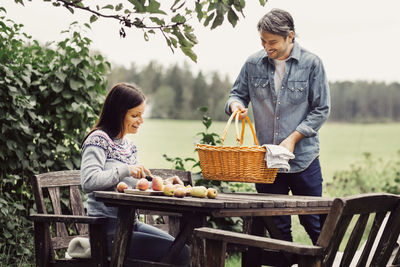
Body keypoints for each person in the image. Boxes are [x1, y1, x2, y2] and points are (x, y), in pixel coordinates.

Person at [225, 8, 330, 266]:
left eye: (272, 42)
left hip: (303, 159)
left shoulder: (312, 64)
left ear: (290, 36)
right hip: (267, 162)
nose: (266, 47)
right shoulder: (252, 63)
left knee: (315, 222)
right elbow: (236, 94)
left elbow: (321, 109)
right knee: (276, 227)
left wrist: (293, 138)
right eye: (263, 41)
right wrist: (235, 106)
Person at [80, 82, 190, 266]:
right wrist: (125, 169)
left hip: (131, 224)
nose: (141, 121)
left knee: (181, 249)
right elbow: (88, 181)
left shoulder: (128, 145)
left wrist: (164, 183)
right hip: (106, 229)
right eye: (134, 115)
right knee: (180, 254)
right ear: (118, 113)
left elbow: (134, 185)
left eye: (141, 115)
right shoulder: (98, 139)